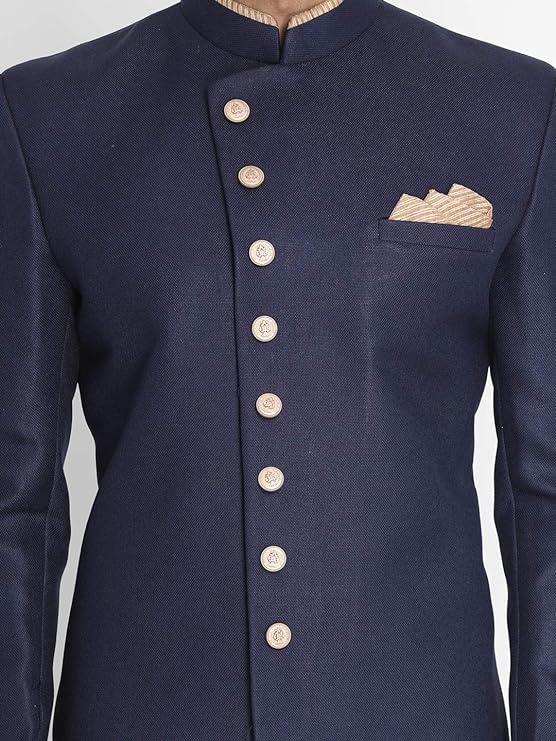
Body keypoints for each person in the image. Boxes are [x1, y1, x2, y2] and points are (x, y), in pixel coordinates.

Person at [0, 0, 555, 739]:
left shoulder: (513, 107)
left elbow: (545, 496)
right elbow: (15, 504)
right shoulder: (48, 113)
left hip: (416, 712)